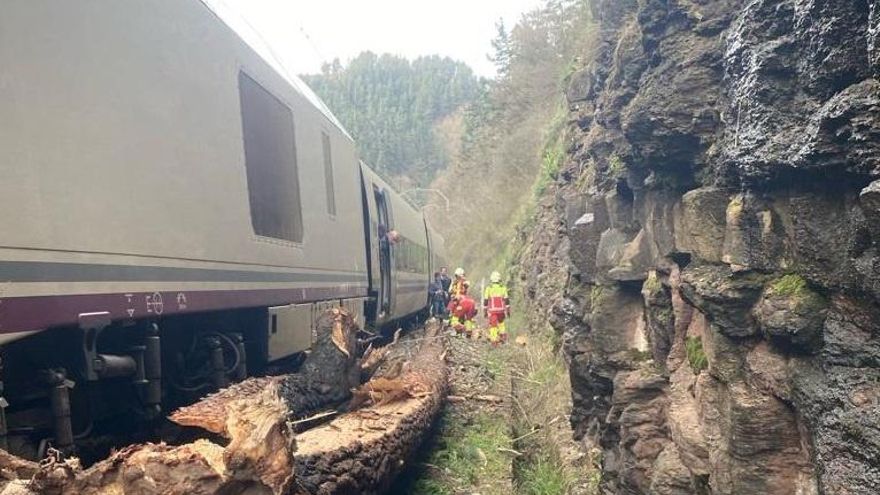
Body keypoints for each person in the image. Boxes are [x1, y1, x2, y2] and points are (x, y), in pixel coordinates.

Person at [483, 271, 510, 345]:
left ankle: (494, 341)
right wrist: (508, 311)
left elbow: (485, 301)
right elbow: (507, 300)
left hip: (492, 311)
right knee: (501, 323)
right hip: (501, 311)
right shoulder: (503, 288)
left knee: (493, 326)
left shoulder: (489, 288)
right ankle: (503, 338)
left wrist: (485, 311)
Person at [447, 268, 475, 335]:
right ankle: (468, 332)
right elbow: (450, 290)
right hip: (463, 300)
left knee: (454, 318)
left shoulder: (461, 282)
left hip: (460, 301)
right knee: (468, 318)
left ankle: (462, 329)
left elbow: (450, 291)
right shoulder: (456, 282)